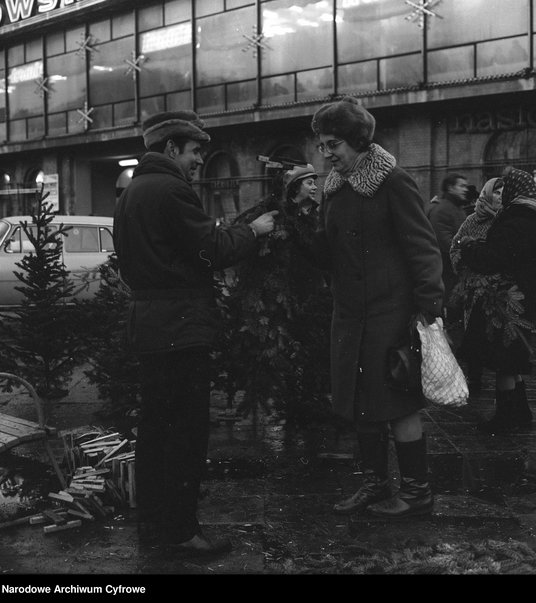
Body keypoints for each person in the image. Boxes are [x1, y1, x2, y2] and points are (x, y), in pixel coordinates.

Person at [113, 110, 277, 555]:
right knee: (184, 433)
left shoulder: (131, 192)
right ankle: (182, 532)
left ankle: (154, 529)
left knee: (155, 433)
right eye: (195, 150)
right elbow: (213, 248)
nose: (200, 160)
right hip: (181, 324)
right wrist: (253, 231)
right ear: (171, 149)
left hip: (150, 322)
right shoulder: (171, 190)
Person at [306, 96, 444, 518]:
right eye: (322, 146)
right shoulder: (335, 188)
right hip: (350, 315)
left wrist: (429, 308)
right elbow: (329, 253)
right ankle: (374, 484)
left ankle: (417, 493)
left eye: (334, 145)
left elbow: (423, 247)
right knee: (359, 403)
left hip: (391, 313)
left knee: (397, 403)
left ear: (358, 141)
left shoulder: (393, 181)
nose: (327, 155)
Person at [217, 163, 331, 420]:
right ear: (294, 187)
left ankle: (307, 404)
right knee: (285, 353)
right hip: (282, 294)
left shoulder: (314, 214)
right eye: (309, 182)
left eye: (315, 182)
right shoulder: (278, 214)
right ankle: (289, 404)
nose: (315, 187)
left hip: (310, 291)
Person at [459, 168, 536, 433]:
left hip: (505, 299)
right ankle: (521, 413)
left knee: (504, 361)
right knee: (514, 358)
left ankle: (505, 420)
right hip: (524, 294)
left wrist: (469, 247)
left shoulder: (513, 220)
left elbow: (493, 258)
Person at [450, 177, 504, 395]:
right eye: (497, 192)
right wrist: (464, 266)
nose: (501, 196)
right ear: (488, 194)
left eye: (504, 192)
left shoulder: (504, 220)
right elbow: (455, 246)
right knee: (473, 331)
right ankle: (475, 376)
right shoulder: (472, 219)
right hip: (473, 286)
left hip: (498, 287)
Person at [427, 172, 469, 325]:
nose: (465, 189)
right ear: (450, 188)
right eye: (461, 186)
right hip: (447, 274)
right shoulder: (443, 210)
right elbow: (446, 244)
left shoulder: (457, 209)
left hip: (456, 273)